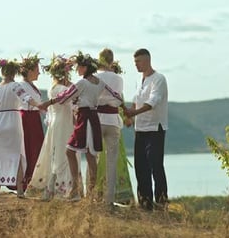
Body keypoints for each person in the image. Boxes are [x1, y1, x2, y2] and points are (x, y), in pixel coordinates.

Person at [40, 51, 124, 201]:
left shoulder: (82, 83)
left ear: (85, 68)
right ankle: (91, 191)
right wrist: (120, 106)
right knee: (90, 155)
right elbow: (117, 96)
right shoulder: (100, 83)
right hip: (94, 118)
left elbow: (65, 97)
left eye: (79, 67)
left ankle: (76, 188)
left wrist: (48, 103)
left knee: (70, 151)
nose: (77, 70)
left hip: (85, 119)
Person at [27, 54, 80, 200]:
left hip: (59, 122)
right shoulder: (62, 89)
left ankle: (55, 188)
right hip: (63, 123)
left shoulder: (54, 87)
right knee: (63, 154)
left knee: (58, 153)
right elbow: (70, 97)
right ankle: (63, 189)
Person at [124, 48, 169, 211]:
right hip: (140, 129)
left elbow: (152, 102)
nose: (136, 64)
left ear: (147, 60)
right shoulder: (139, 80)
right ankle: (145, 203)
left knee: (155, 165)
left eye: (139, 61)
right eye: (135, 62)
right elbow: (136, 101)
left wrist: (133, 112)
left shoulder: (159, 79)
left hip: (155, 128)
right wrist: (130, 117)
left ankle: (161, 202)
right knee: (140, 166)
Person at [0, 58, 41, 198]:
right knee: (17, 155)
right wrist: (39, 105)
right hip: (12, 120)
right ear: (15, 73)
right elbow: (26, 99)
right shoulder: (15, 86)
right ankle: (19, 190)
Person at [94, 48, 134, 205]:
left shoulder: (94, 77)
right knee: (112, 160)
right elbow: (119, 99)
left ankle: (93, 195)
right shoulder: (118, 79)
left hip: (97, 119)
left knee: (95, 158)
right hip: (112, 120)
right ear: (112, 60)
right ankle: (109, 200)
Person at [17, 53, 45, 191]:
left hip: (34, 118)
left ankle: (34, 181)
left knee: (36, 149)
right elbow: (27, 100)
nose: (39, 72)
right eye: (36, 69)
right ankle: (26, 182)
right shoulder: (20, 85)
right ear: (29, 71)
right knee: (28, 149)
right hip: (27, 119)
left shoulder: (31, 85)